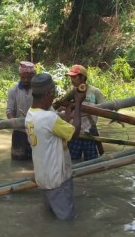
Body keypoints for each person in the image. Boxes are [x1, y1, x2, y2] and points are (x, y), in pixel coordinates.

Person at [25, 73, 85, 220]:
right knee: (66, 221)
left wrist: (66, 118)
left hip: (44, 178)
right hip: (58, 180)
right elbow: (75, 132)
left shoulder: (31, 114)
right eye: (52, 95)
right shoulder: (49, 118)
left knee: (51, 217)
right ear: (47, 95)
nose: (53, 98)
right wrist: (78, 103)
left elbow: (51, 132)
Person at [66, 64, 105, 161]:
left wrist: (116, 118)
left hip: (89, 134)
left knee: (92, 163)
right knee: (72, 162)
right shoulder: (71, 92)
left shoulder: (95, 92)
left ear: (83, 77)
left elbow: (105, 108)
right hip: (75, 133)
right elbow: (63, 108)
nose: (72, 79)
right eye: (71, 77)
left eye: (74, 77)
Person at [6, 61, 36, 160]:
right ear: (19, 75)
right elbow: (9, 110)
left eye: (29, 77)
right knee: (17, 160)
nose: (26, 80)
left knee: (35, 160)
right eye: (23, 77)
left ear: (34, 76)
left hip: (36, 130)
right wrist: (13, 121)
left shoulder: (38, 90)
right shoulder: (13, 90)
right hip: (19, 132)